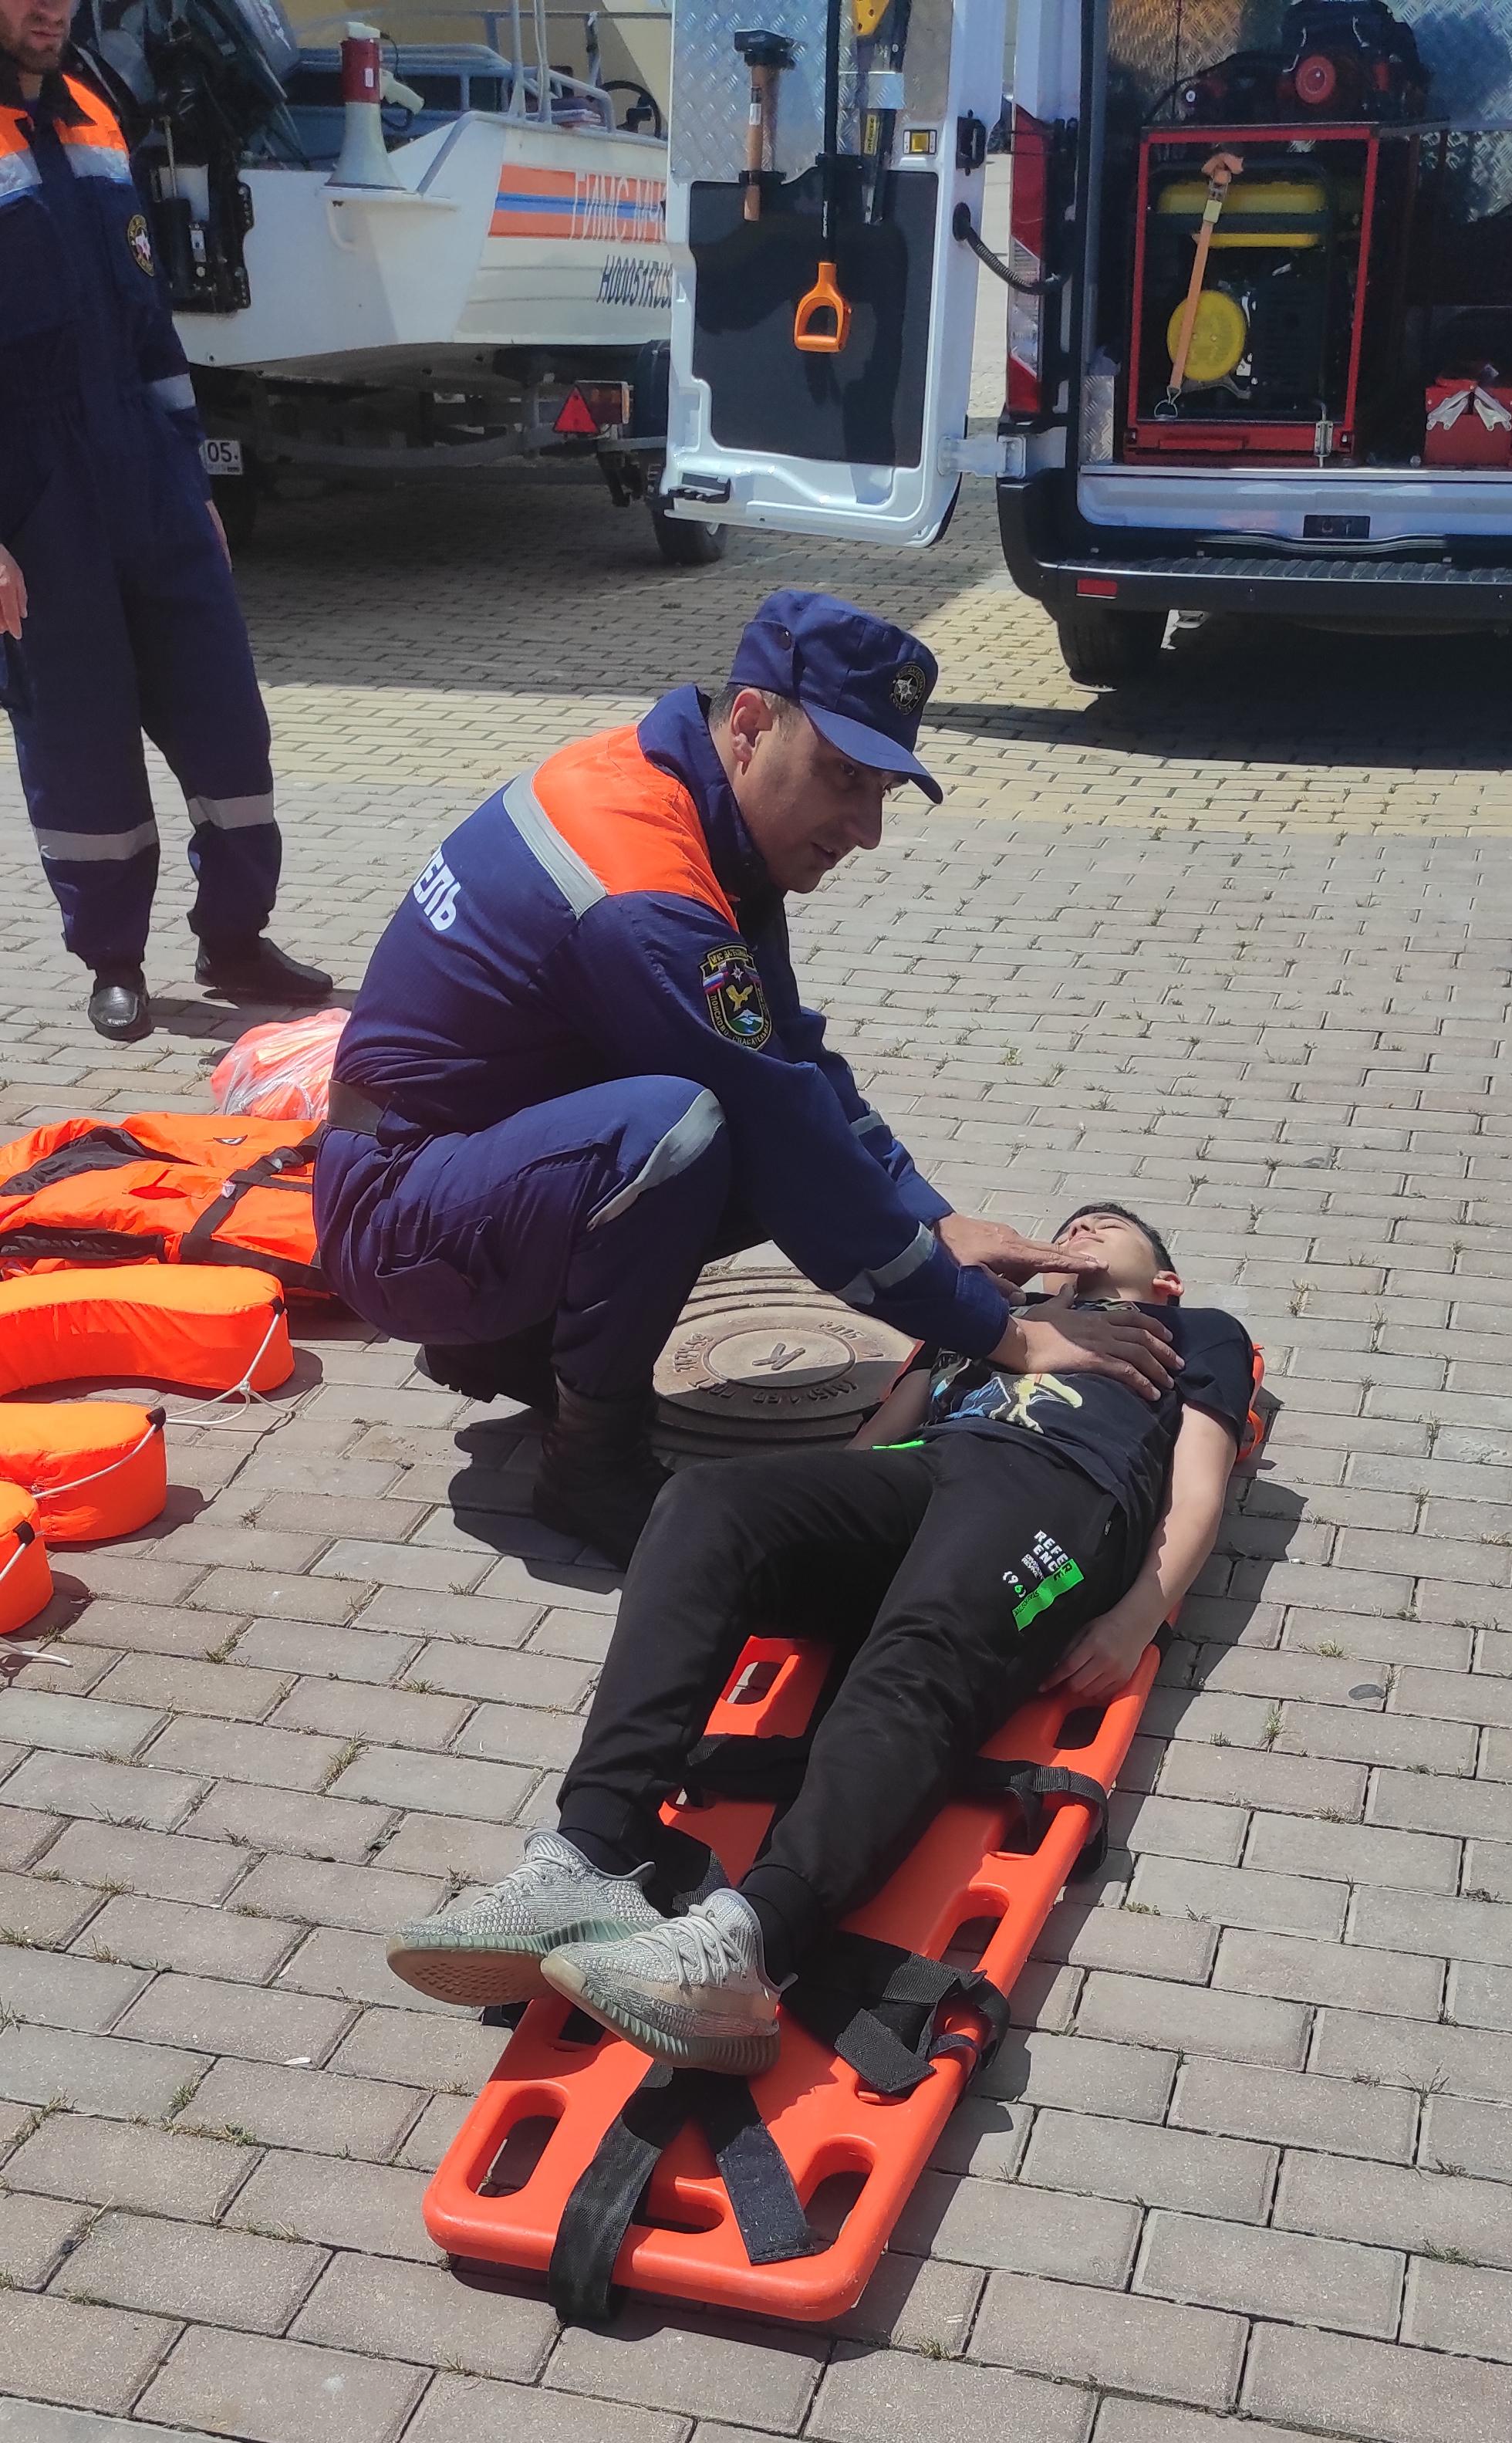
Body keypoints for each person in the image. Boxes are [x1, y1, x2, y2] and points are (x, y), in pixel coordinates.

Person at [315, 587, 1180, 1564]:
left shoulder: (697, 810)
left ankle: (510, 1339)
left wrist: (934, 1222)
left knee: (728, 1127)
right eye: (843, 776)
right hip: (397, 1214)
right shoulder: (643, 887)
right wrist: (1002, 1335)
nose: (866, 828)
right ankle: (587, 1466)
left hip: (468, 1167)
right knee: (683, 1133)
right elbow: (787, 1137)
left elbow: (791, 1061)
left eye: (883, 792)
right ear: (753, 725)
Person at [387, 1203, 1255, 2070]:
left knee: (925, 1645)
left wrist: (1137, 1617)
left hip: (1057, 1491)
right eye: (1071, 1223)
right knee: (707, 1504)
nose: (1083, 1230)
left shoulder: (1196, 1331)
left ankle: (749, 1945)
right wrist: (809, 1517)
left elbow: (1198, 1484)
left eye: (1110, 1225)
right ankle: (587, 1859)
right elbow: (880, 1435)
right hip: (923, 1471)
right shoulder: (989, 1314)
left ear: (1165, 1279)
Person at [0, 0, 330, 1042]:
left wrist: (194, 485)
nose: (49, 7)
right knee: (82, 740)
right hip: (36, 494)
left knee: (226, 718)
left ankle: (234, 938)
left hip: (148, 473)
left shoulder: (96, 112)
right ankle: (115, 959)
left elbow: (150, 328)